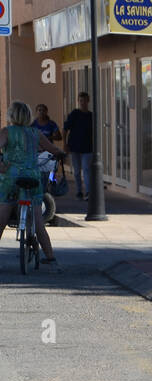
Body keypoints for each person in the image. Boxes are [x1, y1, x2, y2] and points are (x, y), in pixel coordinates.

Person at [0, 100, 65, 270]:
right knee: (38, 222)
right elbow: (53, 150)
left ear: (11, 116)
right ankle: (51, 258)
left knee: (2, 218)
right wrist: (60, 153)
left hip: (11, 178)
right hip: (32, 178)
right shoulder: (36, 133)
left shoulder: (6, 132)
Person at [63, 92, 93, 199]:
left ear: (88, 100)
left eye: (84, 100)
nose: (83, 103)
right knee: (76, 171)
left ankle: (88, 192)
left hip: (88, 147)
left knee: (86, 169)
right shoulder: (74, 114)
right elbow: (65, 128)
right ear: (78, 101)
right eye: (80, 100)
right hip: (74, 146)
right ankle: (79, 191)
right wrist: (65, 144)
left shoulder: (91, 116)